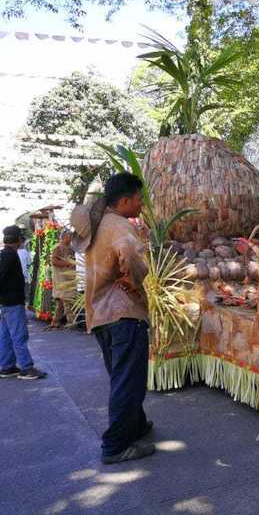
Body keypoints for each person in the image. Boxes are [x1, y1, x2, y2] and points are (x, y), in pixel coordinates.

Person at [71, 172, 154, 464]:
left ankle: (137, 426)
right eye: (139, 199)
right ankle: (116, 446)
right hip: (122, 313)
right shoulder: (118, 225)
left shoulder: (96, 225)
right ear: (126, 200)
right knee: (128, 381)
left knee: (122, 376)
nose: (141, 205)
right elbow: (130, 254)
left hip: (100, 314)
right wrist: (135, 278)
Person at [0, 225, 47, 380]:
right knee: (19, 335)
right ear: (17, 239)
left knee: (6, 335)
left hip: (5, 303)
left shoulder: (4, 254)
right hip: (12, 303)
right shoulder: (10, 255)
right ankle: (26, 368)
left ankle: (7, 367)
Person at [49, 229, 76, 329]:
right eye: (70, 235)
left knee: (62, 301)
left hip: (70, 277)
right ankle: (71, 322)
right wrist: (67, 264)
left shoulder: (71, 247)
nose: (71, 237)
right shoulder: (58, 247)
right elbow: (54, 261)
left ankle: (55, 322)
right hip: (61, 277)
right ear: (64, 236)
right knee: (66, 299)